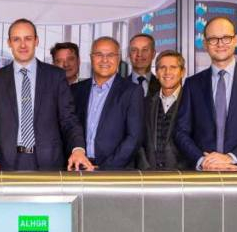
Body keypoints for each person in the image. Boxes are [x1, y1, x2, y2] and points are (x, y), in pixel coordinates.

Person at [0, 19, 92, 172]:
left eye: (28, 38)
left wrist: (78, 150)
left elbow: (69, 119)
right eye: (17, 39)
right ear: (9, 43)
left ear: (36, 41)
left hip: (49, 163)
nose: (22, 45)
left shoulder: (55, 76)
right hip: (6, 163)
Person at [174, 16, 237, 171]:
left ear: (236, 40)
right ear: (205, 44)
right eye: (213, 39)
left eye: (226, 38)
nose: (220, 44)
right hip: (205, 173)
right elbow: (181, 132)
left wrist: (231, 158)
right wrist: (202, 160)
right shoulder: (192, 84)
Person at [71, 37, 144, 170]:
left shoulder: (132, 91)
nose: (104, 60)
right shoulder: (76, 90)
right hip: (79, 167)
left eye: (110, 55)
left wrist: (106, 169)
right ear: (91, 58)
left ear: (118, 58)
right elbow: (70, 128)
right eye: (99, 54)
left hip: (114, 171)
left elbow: (134, 138)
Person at [140, 50, 186, 170]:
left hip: (183, 175)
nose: (167, 72)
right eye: (162, 68)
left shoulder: (192, 102)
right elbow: (139, 141)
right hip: (150, 175)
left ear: (182, 72)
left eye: (173, 67)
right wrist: (146, 168)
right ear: (156, 73)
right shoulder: (145, 104)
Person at [128, 33, 160, 98]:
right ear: (129, 54)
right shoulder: (118, 86)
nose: (139, 54)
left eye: (145, 50)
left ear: (153, 54)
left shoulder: (163, 85)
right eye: (134, 50)